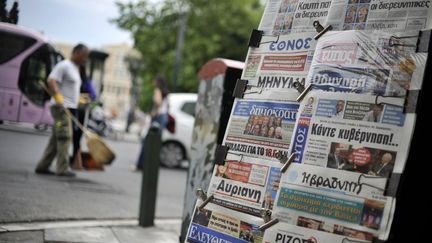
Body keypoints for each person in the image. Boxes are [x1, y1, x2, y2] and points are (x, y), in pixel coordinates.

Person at [35, 43, 89, 177]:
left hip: (70, 107)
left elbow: (70, 87)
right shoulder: (64, 65)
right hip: (61, 108)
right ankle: (62, 168)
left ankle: (42, 166)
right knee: (65, 136)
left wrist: (79, 98)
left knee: (56, 137)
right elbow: (51, 80)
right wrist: (58, 95)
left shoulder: (76, 68)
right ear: (76, 52)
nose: (85, 59)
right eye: (84, 56)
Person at [135, 75, 170, 170]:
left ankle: (141, 164)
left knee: (147, 141)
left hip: (158, 117)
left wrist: (154, 111)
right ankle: (150, 165)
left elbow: (158, 102)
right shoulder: (166, 92)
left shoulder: (157, 90)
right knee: (155, 142)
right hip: (163, 117)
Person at [69, 65, 97, 170]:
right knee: (71, 136)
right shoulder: (75, 80)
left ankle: (74, 161)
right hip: (73, 111)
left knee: (75, 137)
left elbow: (93, 96)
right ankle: (72, 161)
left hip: (79, 112)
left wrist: (83, 99)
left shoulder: (85, 81)